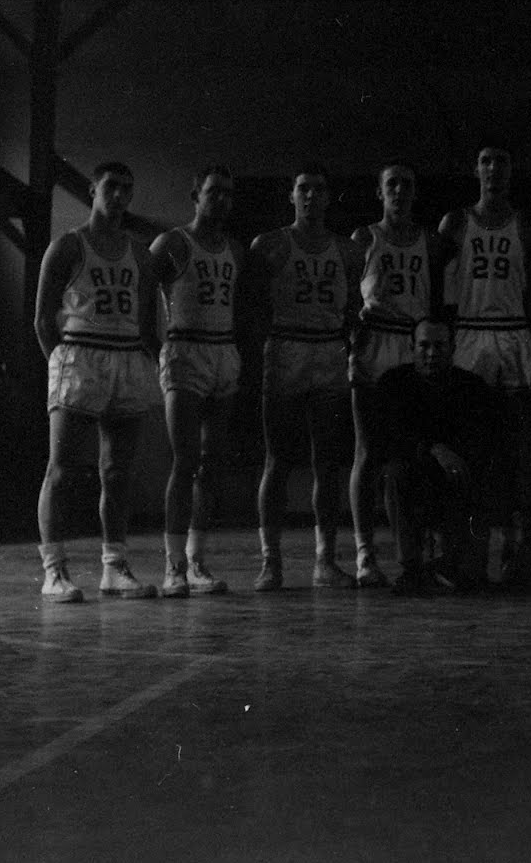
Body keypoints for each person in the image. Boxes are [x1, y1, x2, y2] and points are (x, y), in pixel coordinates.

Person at [34, 161, 160, 603]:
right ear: (92, 190)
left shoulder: (140, 252)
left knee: (118, 472)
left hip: (125, 356)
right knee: (63, 469)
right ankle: (54, 570)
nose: (120, 196)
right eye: (111, 187)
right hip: (79, 352)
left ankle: (114, 567)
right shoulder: (67, 246)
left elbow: (148, 321)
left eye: (128, 188)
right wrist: (63, 364)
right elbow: (42, 320)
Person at [245, 167, 363, 591]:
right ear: (291, 195)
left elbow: (353, 310)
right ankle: (270, 561)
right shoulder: (271, 245)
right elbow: (254, 307)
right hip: (287, 348)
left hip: (330, 349)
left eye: (319, 189)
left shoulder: (348, 250)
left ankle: (324, 561)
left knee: (327, 463)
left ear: (330, 197)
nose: (311, 196)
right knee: (277, 460)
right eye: (303, 189)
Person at [438, 144, 531, 581]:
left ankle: (513, 547)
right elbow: (438, 289)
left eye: (501, 162)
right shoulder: (456, 223)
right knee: (470, 445)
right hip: (470, 330)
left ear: (511, 172)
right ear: (475, 170)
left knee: (516, 444)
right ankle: (468, 547)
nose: (493, 170)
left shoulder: (527, 225)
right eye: (485, 161)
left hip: (514, 331)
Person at [349, 162, 447, 587]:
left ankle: (422, 547)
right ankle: (365, 554)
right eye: (392, 184)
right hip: (374, 345)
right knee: (368, 454)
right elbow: (344, 300)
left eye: (408, 184)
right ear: (379, 192)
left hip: (413, 347)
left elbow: (441, 299)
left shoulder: (431, 241)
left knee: (416, 451)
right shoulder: (363, 238)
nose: (400, 191)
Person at [149, 164, 241, 596]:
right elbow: (142, 294)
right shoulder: (173, 242)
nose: (220, 200)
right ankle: (173, 566)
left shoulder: (235, 250)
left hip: (223, 349)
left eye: (227, 193)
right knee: (185, 461)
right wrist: (154, 348)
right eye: (212, 192)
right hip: (185, 349)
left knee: (212, 464)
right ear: (195, 195)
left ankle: (198, 560)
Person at [378, 317, 497, 595]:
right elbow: (390, 438)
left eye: (439, 346)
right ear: (412, 347)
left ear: (453, 348)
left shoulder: (471, 387)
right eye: (424, 346)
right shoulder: (394, 384)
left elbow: (482, 439)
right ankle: (411, 567)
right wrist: (434, 450)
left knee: (470, 580)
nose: (431, 354)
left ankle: (456, 561)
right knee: (395, 473)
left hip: (456, 480)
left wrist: (454, 458)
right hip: (416, 477)